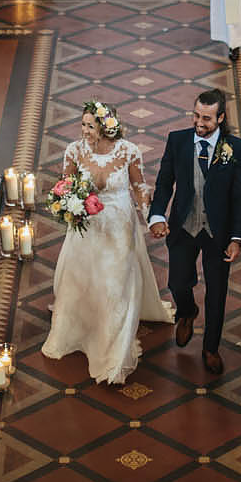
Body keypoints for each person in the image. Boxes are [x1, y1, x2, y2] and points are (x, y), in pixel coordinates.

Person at [47, 101, 175, 383]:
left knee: (114, 283)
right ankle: (83, 326)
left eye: (90, 126)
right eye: (82, 125)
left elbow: (139, 188)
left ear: (106, 127)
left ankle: (113, 347)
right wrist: (69, 205)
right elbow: (64, 186)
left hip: (119, 226)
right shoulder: (74, 151)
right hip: (87, 227)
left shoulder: (129, 151)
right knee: (84, 278)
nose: (84, 131)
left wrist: (151, 218)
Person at [147, 91, 241, 375]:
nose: (199, 122)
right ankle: (187, 311)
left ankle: (211, 348)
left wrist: (237, 237)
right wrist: (157, 216)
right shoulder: (177, 140)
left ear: (221, 118)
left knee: (217, 293)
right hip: (184, 225)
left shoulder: (236, 149)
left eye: (206, 118)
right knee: (178, 283)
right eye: (196, 115)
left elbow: (240, 197)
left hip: (219, 232)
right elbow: (165, 183)